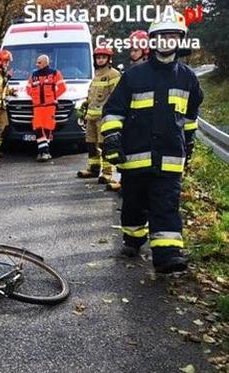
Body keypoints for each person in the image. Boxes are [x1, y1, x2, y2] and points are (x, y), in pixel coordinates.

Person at [101, 12, 203, 274]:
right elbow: (113, 111)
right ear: (153, 40)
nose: (167, 41)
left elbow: (190, 118)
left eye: (173, 36)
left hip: (170, 157)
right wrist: (112, 140)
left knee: (166, 205)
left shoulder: (188, 78)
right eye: (162, 36)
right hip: (135, 158)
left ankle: (168, 256)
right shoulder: (134, 76)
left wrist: (188, 143)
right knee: (134, 204)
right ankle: (133, 239)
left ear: (180, 40)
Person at [106, 30, 150, 192]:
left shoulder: (154, 74)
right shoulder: (130, 74)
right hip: (132, 135)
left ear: (146, 50)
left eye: (135, 50)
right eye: (131, 50)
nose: (132, 54)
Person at [76, 46, 121, 183]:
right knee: (90, 144)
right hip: (91, 117)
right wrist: (84, 110)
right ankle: (93, 168)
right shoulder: (96, 74)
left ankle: (107, 173)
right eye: (98, 57)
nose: (100, 60)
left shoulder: (113, 74)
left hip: (104, 117)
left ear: (109, 59)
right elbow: (92, 96)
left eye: (103, 57)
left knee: (104, 145)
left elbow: (116, 96)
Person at [26, 54, 67, 162]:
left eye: (39, 62)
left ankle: (44, 152)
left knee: (48, 128)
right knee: (38, 127)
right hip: (37, 107)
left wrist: (53, 97)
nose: (37, 64)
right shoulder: (33, 75)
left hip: (50, 106)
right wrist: (36, 98)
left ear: (46, 62)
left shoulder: (55, 73)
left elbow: (62, 88)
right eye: (37, 62)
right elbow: (28, 89)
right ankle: (44, 151)